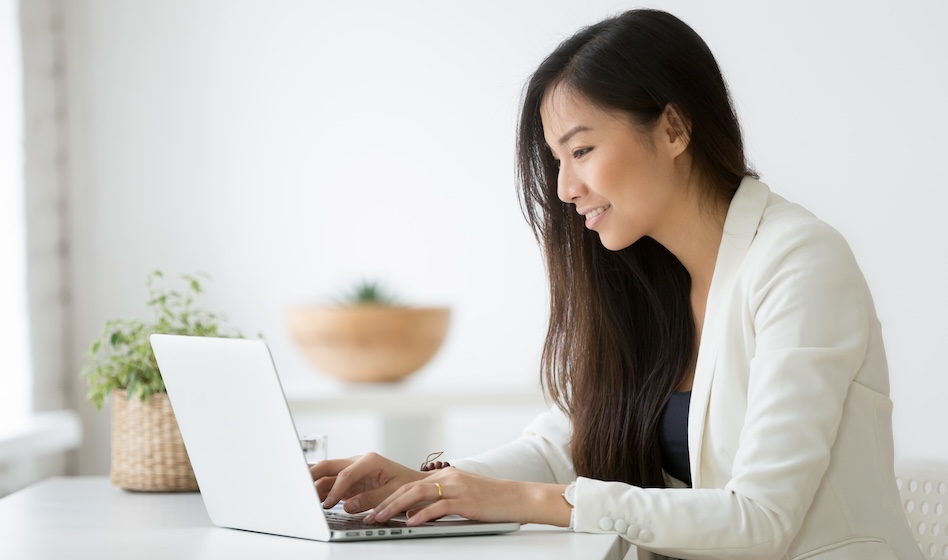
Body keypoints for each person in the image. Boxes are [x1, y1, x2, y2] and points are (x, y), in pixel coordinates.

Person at [310, 9, 921, 559]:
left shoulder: (800, 262)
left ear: (675, 129)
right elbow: (561, 446)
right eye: (556, 160)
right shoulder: (646, 281)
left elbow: (761, 519)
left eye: (581, 150)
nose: (564, 189)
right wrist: (432, 485)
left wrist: (532, 502)